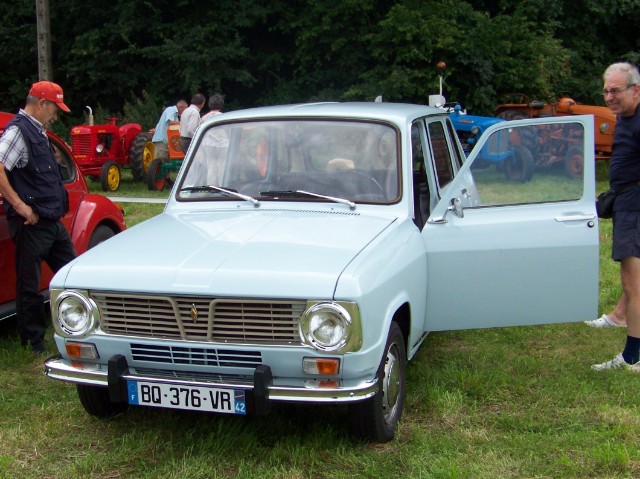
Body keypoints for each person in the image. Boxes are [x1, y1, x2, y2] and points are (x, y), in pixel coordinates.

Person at [0, 80, 76, 354]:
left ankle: (82, 327)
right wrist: (20, 206)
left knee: (73, 274)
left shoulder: (39, 132)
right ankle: (33, 343)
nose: (56, 115)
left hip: (51, 222)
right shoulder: (17, 132)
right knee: (29, 285)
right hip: (31, 224)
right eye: (55, 108)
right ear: (41, 104)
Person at [591, 62, 640, 372]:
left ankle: (632, 357)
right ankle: (620, 315)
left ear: (636, 90)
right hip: (626, 199)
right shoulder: (626, 116)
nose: (609, 96)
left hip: (634, 206)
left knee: (632, 280)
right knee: (634, 278)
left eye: (616, 90)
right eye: (606, 90)